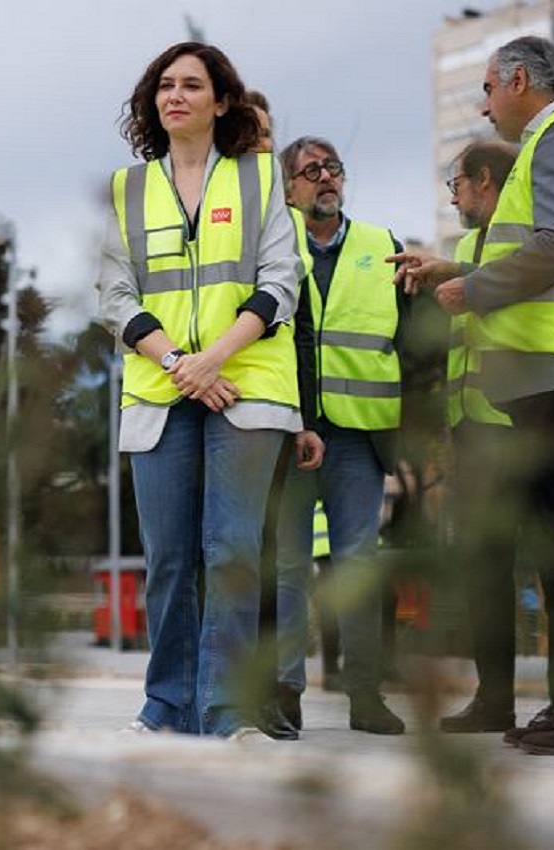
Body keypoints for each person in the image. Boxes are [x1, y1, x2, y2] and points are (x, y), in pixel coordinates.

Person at [411, 36, 554, 756]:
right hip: (548, 369)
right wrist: (460, 269)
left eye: (485, 86)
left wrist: (472, 290)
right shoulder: (551, 143)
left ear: (516, 78)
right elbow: (533, 246)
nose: (482, 102)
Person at [96, 43, 305, 738]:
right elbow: (114, 293)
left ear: (222, 101)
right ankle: (168, 705)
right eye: (164, 85)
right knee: (169, 559)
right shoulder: (129, 189)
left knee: (233, 554)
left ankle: (225, 710)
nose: (174, 95)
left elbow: (282, 281)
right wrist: (180, 361)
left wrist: (214, 359)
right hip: (160, 391)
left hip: (246, 387)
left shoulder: (261, 178)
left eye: (192, 84)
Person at [273, 135, 410, 735]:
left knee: (357, 566)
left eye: (333, 168)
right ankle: (285, 693)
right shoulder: (275, 251)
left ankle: (365, 696)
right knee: (288, 567)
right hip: (291, 432)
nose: (325, 178)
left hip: (360, 434)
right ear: (289, 189)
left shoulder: (384, 247)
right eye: (311, 171)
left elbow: (413, 338)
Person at [391, 139, 520, 732]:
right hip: (473, 425)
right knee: (485, 567)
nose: (453, 194)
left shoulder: (525, 236)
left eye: (457, 182)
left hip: (520, 421)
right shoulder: (470, 244)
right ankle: (496, 699)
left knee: (553, 557)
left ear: (485, 181)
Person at [246, 89, 324, 739]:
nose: (265, 143)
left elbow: (301, 329)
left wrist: (305, 415)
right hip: (197, 397)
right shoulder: (192, 201)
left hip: (267, 407)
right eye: (254, 131)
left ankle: (270, 691)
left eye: (271, 132)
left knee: (267, 557)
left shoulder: (282, 215)